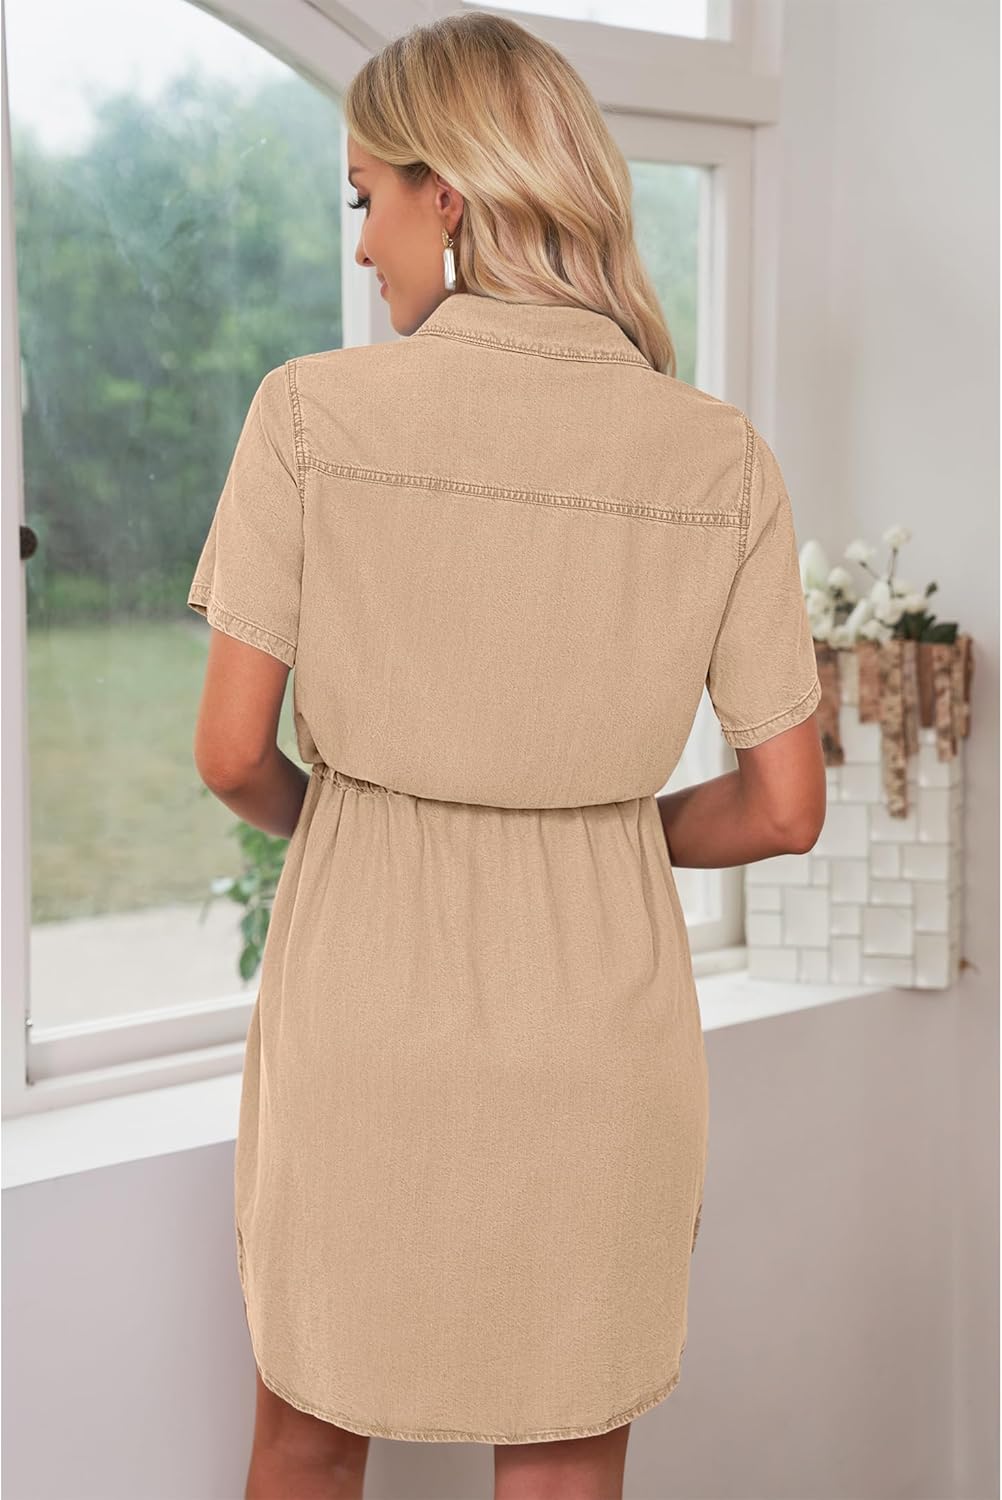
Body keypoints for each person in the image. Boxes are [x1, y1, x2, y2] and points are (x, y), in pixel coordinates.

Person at [187, 11, 826, 1499]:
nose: (363, 244)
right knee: (563, 1452)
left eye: (368, 197)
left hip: (364, 1002)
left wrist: (348, 825)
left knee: (305, 1432)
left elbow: (229, 755)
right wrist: (598, 832)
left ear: (452, 193)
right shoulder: (718, 455)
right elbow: (787, 809)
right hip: (600, 1024)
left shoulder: (309, 413)